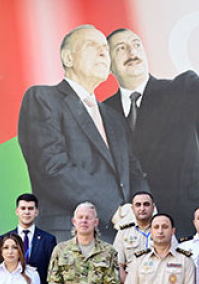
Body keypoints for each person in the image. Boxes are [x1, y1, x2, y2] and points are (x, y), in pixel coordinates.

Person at [104, 0, 199, 234]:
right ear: (108, 64)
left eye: (137, 44)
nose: (132, 51)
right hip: (134, 229)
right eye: (121, 48)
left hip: (194, 221)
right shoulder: (102, 112)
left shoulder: (179, 90)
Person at [17, 25, 147, 239]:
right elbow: (53, 166)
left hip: (120, 239)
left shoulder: (113, 117)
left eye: (105, 47)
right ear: (68, 58)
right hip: (69, 236)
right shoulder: (43, 98)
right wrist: (113, 209)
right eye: (92, 45)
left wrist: (145, 209)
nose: (104, 52)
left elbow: (133, 171)